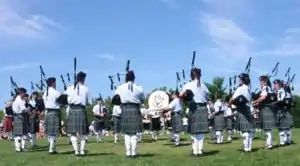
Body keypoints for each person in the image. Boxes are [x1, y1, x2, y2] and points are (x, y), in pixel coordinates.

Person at [179, 68, 210, 156]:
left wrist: (186, 97)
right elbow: (207, 98)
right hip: (203, 108)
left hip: (193, 107)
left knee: (194, 131)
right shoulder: (204, 86)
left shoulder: (188, 85)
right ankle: (200, 150)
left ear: (192, 75)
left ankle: (195, 151)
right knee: (201, 130)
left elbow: (180, 95)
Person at [115, 70, 145, 158]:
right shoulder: (139, 88)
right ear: (134, 78)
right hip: (135, 109)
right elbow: (142, 100)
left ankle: (128, 153)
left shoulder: (120, 87)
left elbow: (116, 98)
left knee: (127, 134)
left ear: (126, 78)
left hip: (125, 109)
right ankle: (133, 153)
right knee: (134, 133)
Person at [65, 71, 90, 156]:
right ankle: (82, 151)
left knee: (73, 132)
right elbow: (87, 102)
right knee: (83, 132)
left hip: (72, 110)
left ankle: (76, 151)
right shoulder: (86, 89)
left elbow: (66, 100)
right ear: (83, 79)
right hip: (81, 110)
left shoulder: (69, 88)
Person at [229, 73, 254, 152]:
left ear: (242, 80)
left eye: (239, 79)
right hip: (248, 109)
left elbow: (232, 99)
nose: (238, 81)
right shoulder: (249, 89)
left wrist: (229, 104)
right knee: (249, 129)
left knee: (245, 130)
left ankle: (246, 148)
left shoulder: (241, 88)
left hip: (242, 109)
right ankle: (248, 147)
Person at [252, 75, 276, 149]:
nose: (260, 82)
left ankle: (269, 145)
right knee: (267, 128)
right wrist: (257, 103)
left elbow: (263, 97)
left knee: (267, 128)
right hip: (265, 108)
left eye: (262, 81)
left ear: (265, 81)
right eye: (260, 81)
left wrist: (254, 101)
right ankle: (268, 144)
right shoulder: (266, 88)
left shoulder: (266, 87)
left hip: (266, 109)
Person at [43, 77, 61, 154]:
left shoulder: (45, 93)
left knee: (50, 131)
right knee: (53, 131)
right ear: (53, 83)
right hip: (54, 112)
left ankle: (52, 148)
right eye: (55, 82)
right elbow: (62, 102)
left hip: (47, 112)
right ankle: (51, 148)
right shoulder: (56, 92)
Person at [12, 88, 30, 152]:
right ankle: (22, 147)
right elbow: (24, 110)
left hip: (16, 117)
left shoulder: (15, 99)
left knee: (17, 134)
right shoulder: (19, 101)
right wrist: (29, 108)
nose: (25, 95)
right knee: (23, 133)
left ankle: (18, 148)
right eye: (24, 93)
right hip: (21, 116)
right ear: (21, 93)